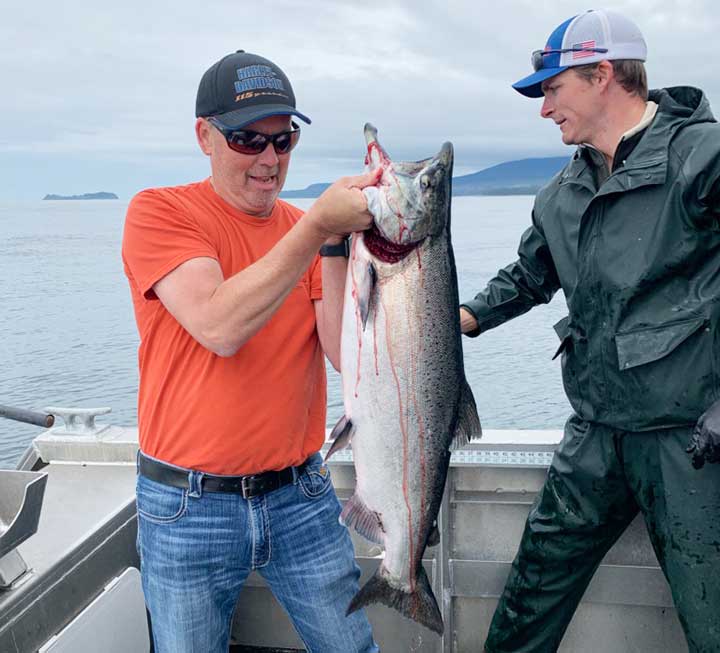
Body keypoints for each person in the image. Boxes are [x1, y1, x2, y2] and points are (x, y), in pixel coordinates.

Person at [459, 9, 720, 653]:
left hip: (688, 441)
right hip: (594, 434)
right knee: (526, 607)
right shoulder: (559, 194)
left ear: (603, 74)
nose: (544, 109)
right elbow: (527, 277)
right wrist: (446, 321)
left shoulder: (702, 157)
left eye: (552, 89)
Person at [121, 50, 380, 653]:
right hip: (188, 504)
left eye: (283, 139)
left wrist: (344, 244)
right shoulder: (160, 212)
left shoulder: (307, 229)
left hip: (301, 496)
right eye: (247, 140)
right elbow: (218, 323)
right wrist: (316, 229)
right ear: (205, 138)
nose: (269, 159)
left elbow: (346, 353)